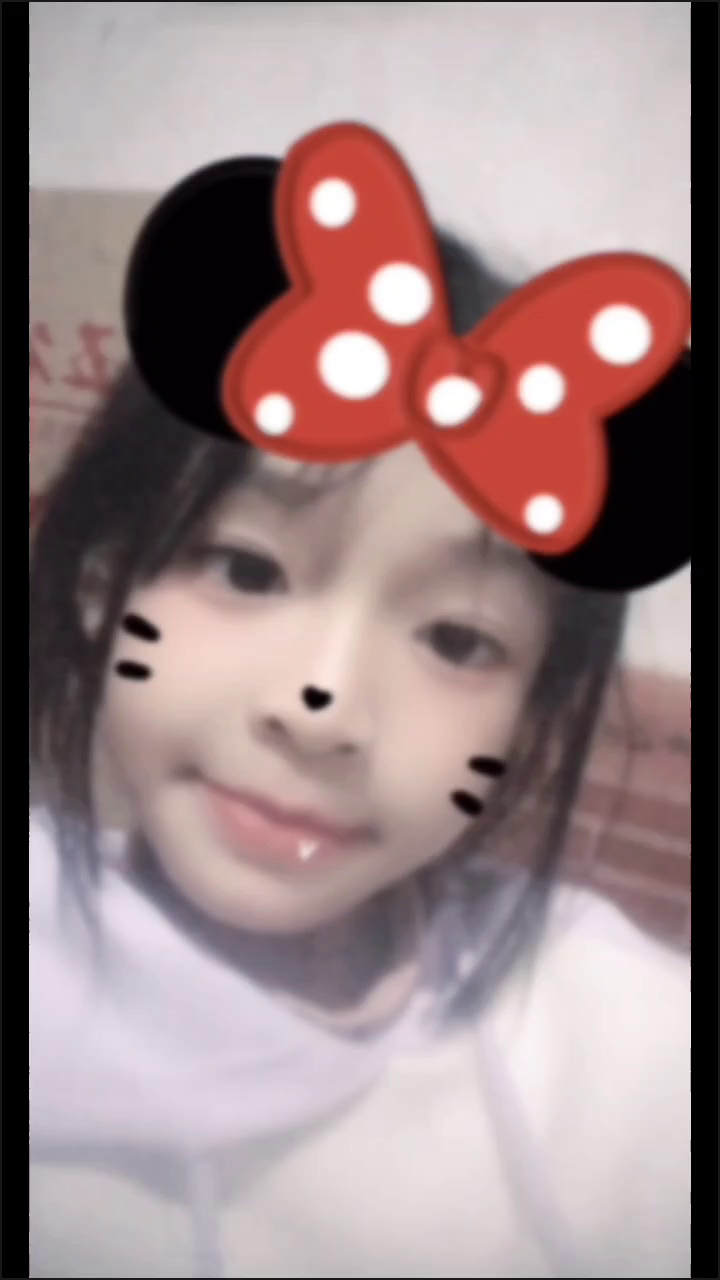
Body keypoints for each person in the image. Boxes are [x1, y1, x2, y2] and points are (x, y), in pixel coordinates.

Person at [29, 233, 689, 1279]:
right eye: (246, 569)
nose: (323, 708)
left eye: (459, 639)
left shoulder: (630, 1048)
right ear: (101, 584)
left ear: (533, 722)